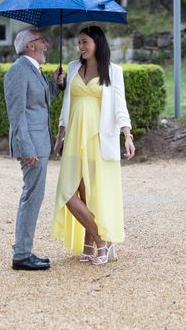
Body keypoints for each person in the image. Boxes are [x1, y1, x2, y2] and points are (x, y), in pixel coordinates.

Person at [51, 25, 135, 265]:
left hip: (99, 138)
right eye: (79, 43)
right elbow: (67, 104)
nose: (81, 47)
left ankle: (92, 243)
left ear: (97, 42)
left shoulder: (113, 71)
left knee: (90, 193)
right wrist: (60, 135)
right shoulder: (72, 68)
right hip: (74, 137)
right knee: (67, 192)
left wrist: (127, 136)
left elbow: (120, 106)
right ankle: (102, 240)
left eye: (85, 42)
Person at [4, 28, 63, 271]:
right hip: (32, 148)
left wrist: (55, 84)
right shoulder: (18, 72)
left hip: (39, 144)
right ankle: (22, 255)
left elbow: (41, 102)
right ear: (30, 45)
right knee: (31, 197)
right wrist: (26, 148)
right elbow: (16, 115)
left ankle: (23, 251)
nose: (47, 44)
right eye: (42, 40)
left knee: (33, 197)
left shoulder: (33, 70)